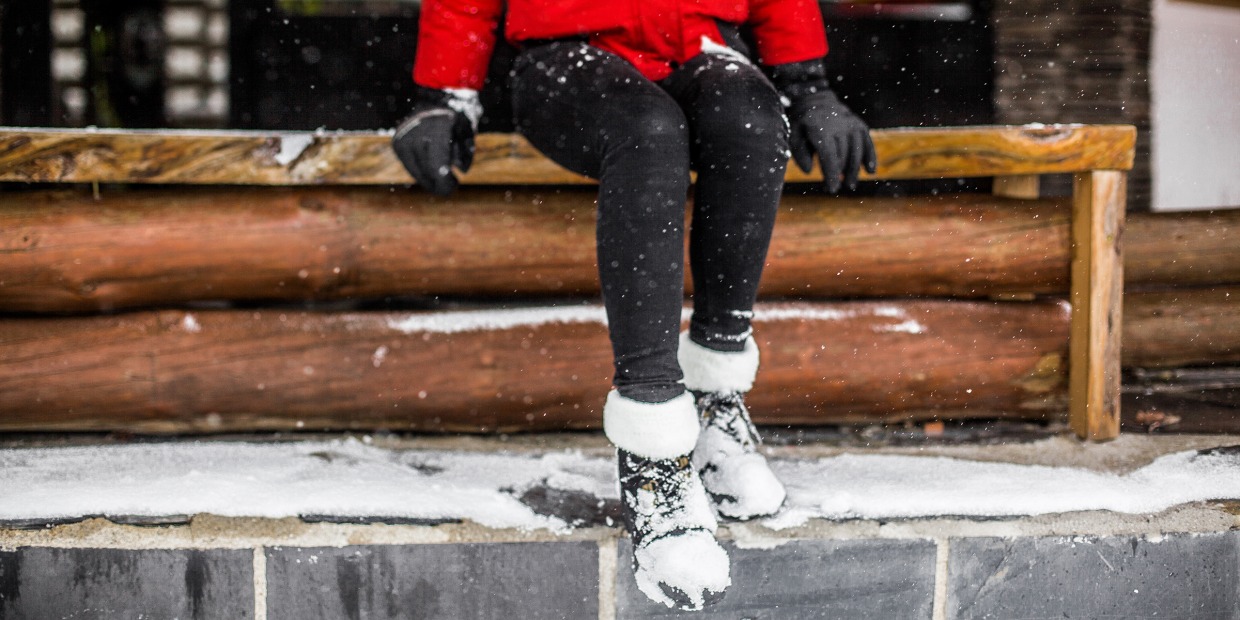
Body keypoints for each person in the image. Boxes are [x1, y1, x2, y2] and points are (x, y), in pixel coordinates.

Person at [393, 0, 876, 610]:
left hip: (699, 45)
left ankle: (713, 404)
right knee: (648, 132)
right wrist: (444, 95)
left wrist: (807, 85)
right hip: (563, 58)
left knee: (753, 123)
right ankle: (652, 454)